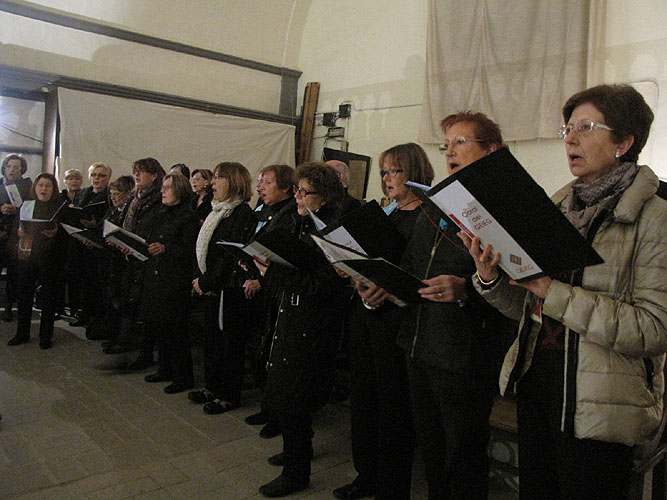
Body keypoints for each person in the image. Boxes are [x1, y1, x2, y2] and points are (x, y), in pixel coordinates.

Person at [461, 84, 667, 500]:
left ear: (624, 142)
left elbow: (653, 329)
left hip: (600, 407)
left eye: (585, 128)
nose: (570, 139)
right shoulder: (556, 208)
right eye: (567, 129)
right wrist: (491, 278)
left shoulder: (655, 218)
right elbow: (529, 306)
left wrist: (551, 290)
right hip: (539, 390)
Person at [361, 112, 511, 500]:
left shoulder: (506, 207)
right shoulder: (438, 204)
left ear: (491, 150)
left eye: (461, 142)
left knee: (463, 455)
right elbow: (412, 267)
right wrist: (383, 288)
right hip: (418, 344)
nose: (450, 152)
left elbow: (518, 290)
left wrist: (466, 290)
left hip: (464, 354)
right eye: (447, 145)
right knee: (431, 449)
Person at [333, 143, 434, 500]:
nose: (388, 179)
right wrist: (351, 270)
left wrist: (386, 285)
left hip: (399, 324)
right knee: (364, 400)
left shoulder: (427, 217)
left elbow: (418, 274)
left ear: (415, 173)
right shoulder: (386, 213)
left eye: (396, 171)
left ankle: (391, 487)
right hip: (367, 316)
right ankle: (367, 475)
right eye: (384, 172)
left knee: (393, 408)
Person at [256, 163, 346, 498]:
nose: (297, 196)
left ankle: (297, 473)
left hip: (312, 324)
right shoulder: (301, 222)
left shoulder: (332, 233)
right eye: (296, 190)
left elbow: (322, 285)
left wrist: (273, 274)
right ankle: (297, 450)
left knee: (295, 396)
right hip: (291, 314)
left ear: (324, 195)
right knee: (286, 393)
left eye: (304, 192)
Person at [188, 162, 256, 411]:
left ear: (234, 182)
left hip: (228, 290)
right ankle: (212, 386)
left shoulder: (242, 214)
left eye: (218, 177)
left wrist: (206, 281)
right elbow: (202, 249)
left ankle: (228, 394)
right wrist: (199, 279)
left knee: (229, 344)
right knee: (212, 342)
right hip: (210, 287)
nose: (212, 182)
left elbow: (228, 255)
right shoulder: (217, 210)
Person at [243, 164, 298, 439]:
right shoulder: (265, 210)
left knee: (275, 354)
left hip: (278, 290)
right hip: (264, 286)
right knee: (263, 349)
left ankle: (277, 415)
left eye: (266, 182)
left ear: (286, 187)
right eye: (260, 181)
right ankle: (267, 407)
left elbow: (283, 257)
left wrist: (263, 279)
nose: (260, 187)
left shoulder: (290, 215)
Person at [104, 158, 165, 370]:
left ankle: (143, 351)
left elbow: (155, 229)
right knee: (127, 298)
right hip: (130, 256)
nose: (137, 175)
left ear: (154, 176)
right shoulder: (134, 197)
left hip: (147, 258)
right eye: (135, 171)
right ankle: (124, 339)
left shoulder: (158, 200)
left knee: (144, 306)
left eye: (142, 172)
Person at [141, 173, 199, 393]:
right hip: (157, 276)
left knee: (176, 330)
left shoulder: (188, 217)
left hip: (175, 279)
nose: (162, 191)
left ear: (180, 191)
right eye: (162, 187)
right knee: (161, 326)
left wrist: (166, 249)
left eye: (167, 188)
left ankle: (183, 377)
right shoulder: (161, 213)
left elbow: (191, 250)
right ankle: (165, 369)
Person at [8, 173, 63, 349]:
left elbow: (67, 233)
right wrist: (18, 233)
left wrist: (56, 233)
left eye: (48, 186)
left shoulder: (59, 207)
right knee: (24, 295)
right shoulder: (26, 205)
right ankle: (22, 333)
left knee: (48, 297)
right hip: (28, 256)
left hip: (50, 257)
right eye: (40, 185)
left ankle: (45, 336)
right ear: (35, 187)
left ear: (53, 189)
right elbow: (15, 228)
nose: (43, 189)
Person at [70, 162, 112, 329]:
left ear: (108, 178)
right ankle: (84, 313)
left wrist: (96, 225)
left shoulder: (110, 195)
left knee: (96, 282)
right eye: (94, 175)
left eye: (101, 175)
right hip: (80, 241)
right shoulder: (83, 193)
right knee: (82, 280)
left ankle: (95, 317)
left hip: (98, 243)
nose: (96, 178)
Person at [0, 154, 32, 322]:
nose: (11, 170)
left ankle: (9, 307)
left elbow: (32, 209)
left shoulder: (28, 187)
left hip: (16, 236)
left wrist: (17, 210)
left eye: (16, 167)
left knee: (14, 273)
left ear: (22, 170)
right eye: (9, 166)